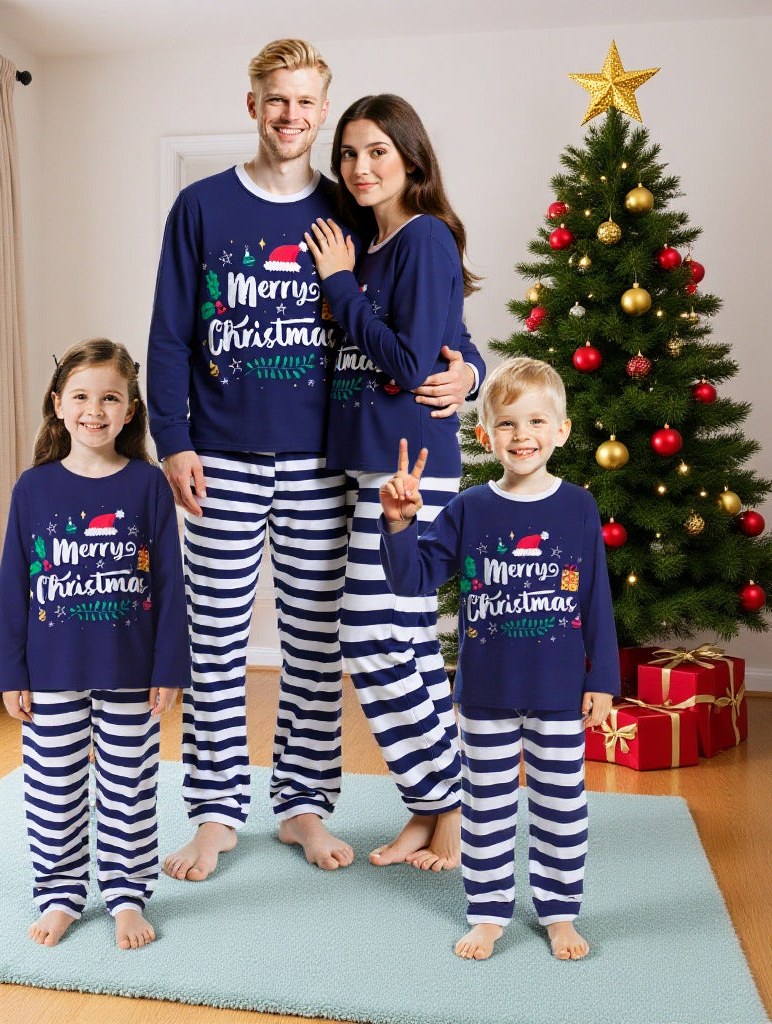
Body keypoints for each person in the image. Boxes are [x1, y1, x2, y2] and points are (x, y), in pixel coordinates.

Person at [148, 40, 473, 882]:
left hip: (328, 464)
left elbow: (425, 308)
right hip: (217, 454)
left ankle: (301, 805)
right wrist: (173, 438)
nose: (291, 116)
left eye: (306, 102)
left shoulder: (356, 205)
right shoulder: (201, 206)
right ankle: (217, 814)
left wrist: (468, 368)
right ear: (252, 102)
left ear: (322, 109)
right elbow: (169, 331)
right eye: (276, 99)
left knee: (317, 642)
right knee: (216, 643)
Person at [378, 357, 620, 961]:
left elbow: (595, 600)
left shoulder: (578, 509)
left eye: (537, 421)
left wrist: (604, 680)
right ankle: (488, 912)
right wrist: (400, 523)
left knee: (561, 808)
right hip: (485, 691)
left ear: (561, 431)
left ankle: (559, 912)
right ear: (486, 435)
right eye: (507, 424)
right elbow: (414, 580)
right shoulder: (469, 510)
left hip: (561, 690)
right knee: (485, 811)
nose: (522, 436)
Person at [305, 94, 485, 871]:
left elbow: (412, 364)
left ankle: (449, 804)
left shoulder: (421, 241)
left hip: (408, 468)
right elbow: (453, 342)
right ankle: (430, 807)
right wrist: (473, 370)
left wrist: (341, 289)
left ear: (411, 157)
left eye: (376, 150)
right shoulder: (370, 247)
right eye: (347, 154)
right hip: (365, 465)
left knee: (376, 639)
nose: (359, 167)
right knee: (403, 641)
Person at [0, 338, 189, 951]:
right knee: (53, 788)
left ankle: (127, 895)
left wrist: (169, 669)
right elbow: (12, 586)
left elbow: (169, 584)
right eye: (81, 396)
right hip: (50, 671)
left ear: (130, 411)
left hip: (130, 669)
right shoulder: (34, 488)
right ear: (57, 405)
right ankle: (59, 894)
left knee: (130, 785)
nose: (94, 410)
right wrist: (10, 672)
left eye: (110, 398)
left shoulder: (149, 486)